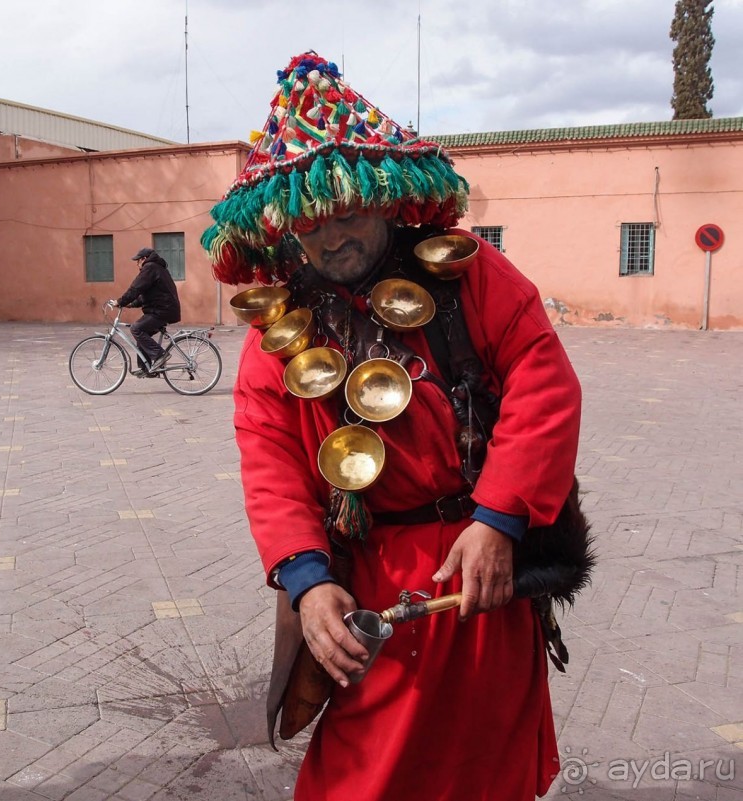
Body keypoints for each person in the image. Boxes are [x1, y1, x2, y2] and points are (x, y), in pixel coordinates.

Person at [203, 52, 587, 801]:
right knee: (360, 772)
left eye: (346, 213)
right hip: (366, 581)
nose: (330, 238)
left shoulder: (471, 276)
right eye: (311, 224)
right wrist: (307, 581)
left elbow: (546, 385)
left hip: (480, 566)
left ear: (381, 198)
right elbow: (269, 458)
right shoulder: (279, 326)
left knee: (484, 763)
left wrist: (501, 518)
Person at [111, 247, 181, 376]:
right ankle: (147, 369)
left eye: (137, 261)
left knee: (136, 329)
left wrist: (120, 301)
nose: (137, 264)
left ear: (144, 259)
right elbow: (146, 295)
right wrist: (131, 304)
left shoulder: (150, 267)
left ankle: (160, 355)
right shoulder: (157, 268)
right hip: (165, 309)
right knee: (142, 333)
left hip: (162, 310)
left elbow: (136, 288)